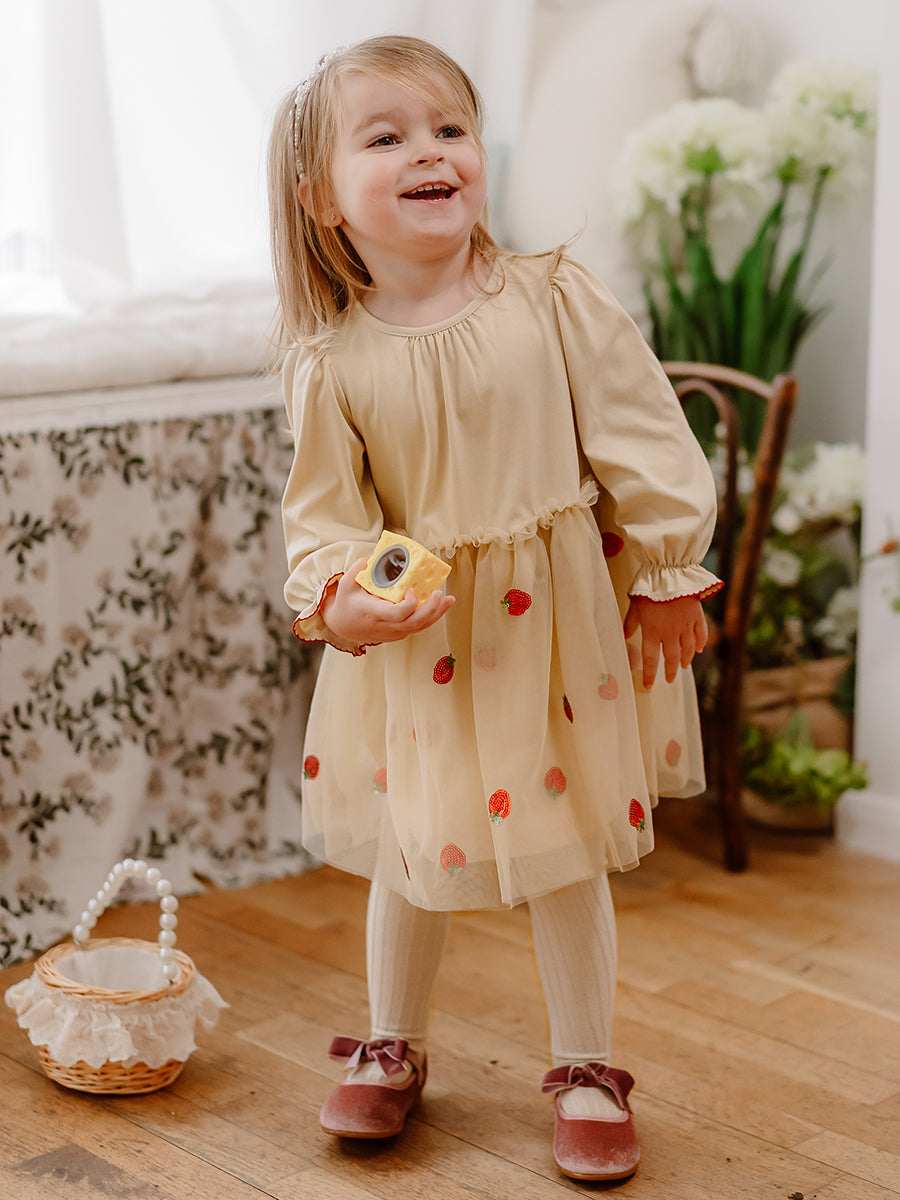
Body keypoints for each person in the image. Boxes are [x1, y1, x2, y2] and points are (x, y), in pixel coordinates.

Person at [268, 34, 721, 1183]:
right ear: (322, 198)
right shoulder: (332, 361)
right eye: (389, 136)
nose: (432, 152)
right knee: (410, 843)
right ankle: (393, 1043)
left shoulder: (552, 297)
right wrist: (339, 599)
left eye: (451, 129)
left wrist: (668, 572)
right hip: (421, 646)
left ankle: (586, 1065)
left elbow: (643, 433)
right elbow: (325, 516)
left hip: (551, 635)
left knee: (563, 850)